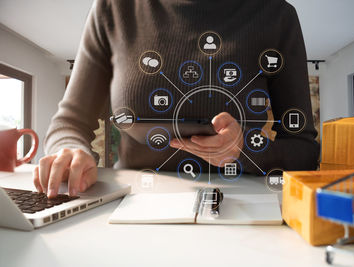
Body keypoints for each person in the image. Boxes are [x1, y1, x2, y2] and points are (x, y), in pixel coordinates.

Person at [34, 0, 320, 198]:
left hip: (243, 208)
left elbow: (304, 149)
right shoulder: (112, 8)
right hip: (132, 205)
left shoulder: (277, 16)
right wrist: (70, 149)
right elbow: (70, 123)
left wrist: (245, 150)